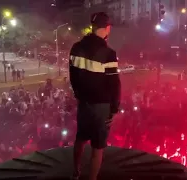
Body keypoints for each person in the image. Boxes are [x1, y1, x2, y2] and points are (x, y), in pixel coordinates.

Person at [69, 12, 121, 180]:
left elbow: (73, 76)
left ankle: (75, 173)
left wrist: (79, 95)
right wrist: (114, 109)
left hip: (84, 103)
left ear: (92, 27)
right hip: (102, 106)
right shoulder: (108, 53)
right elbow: (114, 84)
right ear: (107, 28)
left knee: (81, 138)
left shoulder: (76, 48)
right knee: (98, 148)